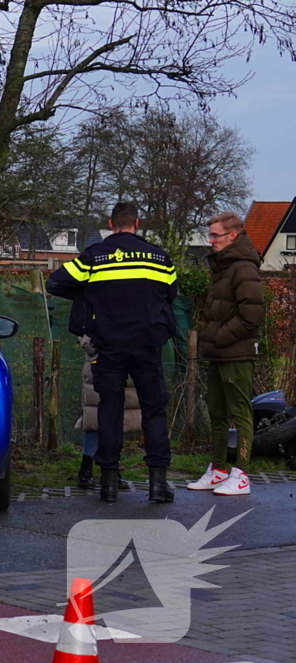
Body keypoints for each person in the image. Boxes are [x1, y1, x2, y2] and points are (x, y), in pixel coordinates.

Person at [47, 202, 178, 503]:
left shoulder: (95, 257)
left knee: (110, 410)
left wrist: (87, 292)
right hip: (147, 346)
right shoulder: (160, 258)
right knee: (154, 411)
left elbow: (56, 282)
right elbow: (170, 294)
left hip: (108, 347)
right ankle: (158, 483)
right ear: (137, 223)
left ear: (110, 223)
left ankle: (107, 483)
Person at [187, 211, 263, 496]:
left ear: (233, 235)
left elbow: (252, 315)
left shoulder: (243, 268)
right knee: (217, 412)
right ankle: (218, 469)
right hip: (218, 352)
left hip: (237, 354)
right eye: (210, 235)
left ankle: (241, 474)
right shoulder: (223, 267)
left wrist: (219, 337)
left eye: (216, 235)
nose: (211, 241)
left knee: (240, 413)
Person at [76, 335, 138, 490]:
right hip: (100, 361)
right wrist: (93, 346)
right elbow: (83, 326)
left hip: (126, 361)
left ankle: (110, 468)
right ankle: (87, 466)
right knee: (94, 416)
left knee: (118, 417)